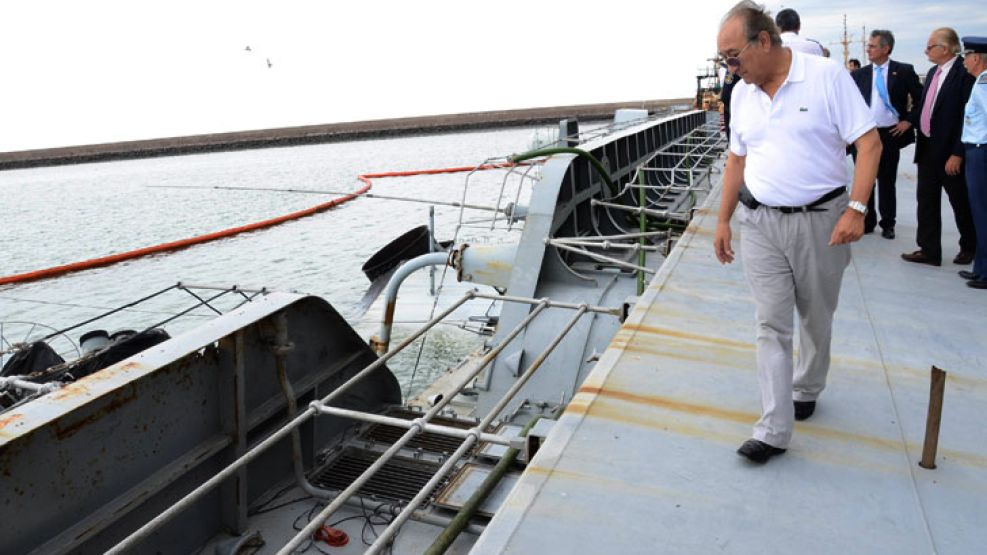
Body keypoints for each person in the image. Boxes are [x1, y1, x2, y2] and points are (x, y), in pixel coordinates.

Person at [714, 1, 881, 463]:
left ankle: (807, 385)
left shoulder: (826, 76)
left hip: (821, 220)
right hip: (760, 221)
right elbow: (737, 159)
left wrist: (857, 209)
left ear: (763, 40)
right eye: (724, 59)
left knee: (815, 315)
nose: (731, 67)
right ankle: (773, 428)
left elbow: (869, 143)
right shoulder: (742, 92)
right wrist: (724, 219)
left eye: (733, 56)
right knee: (770, 323)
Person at [902, 28, 977, 266]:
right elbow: (927, 107)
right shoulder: (934, 72)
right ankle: (929, 249)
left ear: (944, 49)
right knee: (926, 200)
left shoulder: (964, 74)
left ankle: (970, 247)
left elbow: (969, 117)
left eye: (930, 46)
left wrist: (958, 153)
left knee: (960, 201)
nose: (926, 50)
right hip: (927, 148)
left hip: (949, 152)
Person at [851, 30, 923, 238]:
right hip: (865, 135)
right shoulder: (859, 74)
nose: (868, 49)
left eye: (872, 46)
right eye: (868, 45)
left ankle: (888, 223)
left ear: (886, 48)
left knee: (887, 180)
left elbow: (922, 99)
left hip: (890, 134)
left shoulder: (903, 71)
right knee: (866, 179)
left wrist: (909, 121)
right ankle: (867, 220)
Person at [960, 36, 987, 289]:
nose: (964, 61)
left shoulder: (985, 83)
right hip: (976, 150)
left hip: (982, 151)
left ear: (976, 58)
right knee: (978, 213)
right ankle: (980, 268)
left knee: (982, 213)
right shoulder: (979, 81)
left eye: (966, 56)